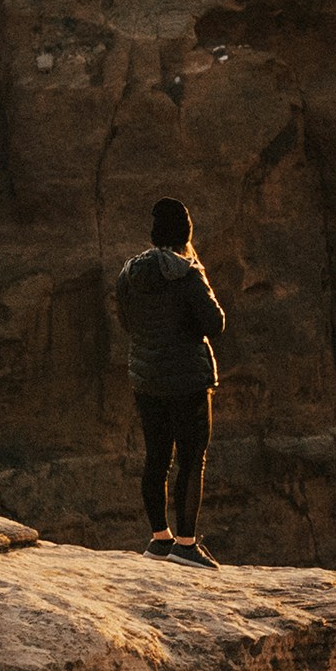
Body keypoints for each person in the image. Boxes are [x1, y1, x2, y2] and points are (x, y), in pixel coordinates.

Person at [114, 197, 228, 565]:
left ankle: (159, 540)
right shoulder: (188, 273)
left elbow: (127, 323)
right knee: (192, 459)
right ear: (186, 233)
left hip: (147, 380)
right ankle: (186, 545)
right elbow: (216, 324)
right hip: (188, 380)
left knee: (157, 457)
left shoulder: (129, 273)